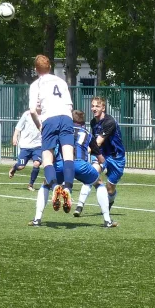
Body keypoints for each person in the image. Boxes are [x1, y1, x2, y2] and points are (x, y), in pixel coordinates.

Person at [29, 110, 118, 227]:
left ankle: (37, 219)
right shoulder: (87, 133)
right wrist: (103, 165)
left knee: (46, 184)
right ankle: (107, 220)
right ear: (83, 123)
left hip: (62, 164)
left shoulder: (62, 131)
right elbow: (100, 157)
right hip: (81, 165)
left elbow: (52, 150)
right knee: (98, 183)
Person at [28, 54, 75, 212]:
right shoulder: (61, 81)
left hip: (49, 119)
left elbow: (33, 110)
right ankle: (67, 188)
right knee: (68, 156)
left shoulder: (36, 84)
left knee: (47, 158)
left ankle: (55, 186)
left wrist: (39, 125)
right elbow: (69, 106)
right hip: (67, 118)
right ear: (50, 67)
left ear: (36, 69)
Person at [73, 96, 126, 217]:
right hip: (101, 154)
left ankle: (109, 203)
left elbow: (97, 142)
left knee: (110, 187)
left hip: (116, 157)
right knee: (91, 175)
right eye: (92, 106)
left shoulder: (109, 122)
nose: (94, 108)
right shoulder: (93, 122)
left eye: (97, 106)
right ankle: (79, 206)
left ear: (103, 107)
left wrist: (84, 149)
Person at [9, 105, 43, 191]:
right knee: (21, 167)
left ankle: (30, 184)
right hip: (25, 145)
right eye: (37, 102)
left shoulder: (45, 114)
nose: (38, 104)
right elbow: (18, 127)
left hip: (38, 145)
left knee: (36, 163)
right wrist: (14, 137)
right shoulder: (27, 114)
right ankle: (14, 167)